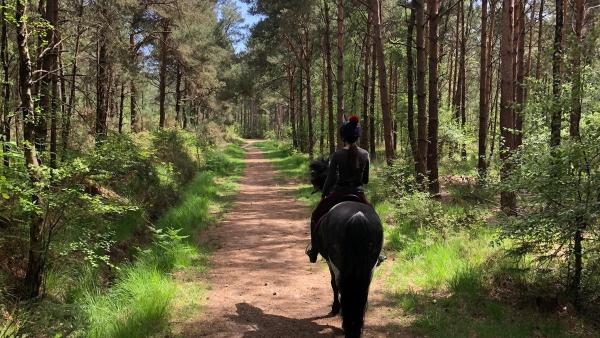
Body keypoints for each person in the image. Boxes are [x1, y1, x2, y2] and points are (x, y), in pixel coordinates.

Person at [306, 115, 370, 263]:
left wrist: (324, 195)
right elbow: (365, 180)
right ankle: (377, 253)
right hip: (359, 194)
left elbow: (329, 179)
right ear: (357, 136)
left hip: (339, 192)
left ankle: (314, 250)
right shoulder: (365, 154)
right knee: (375, 219)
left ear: (343, 137)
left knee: (315, 216)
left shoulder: (337, 155)